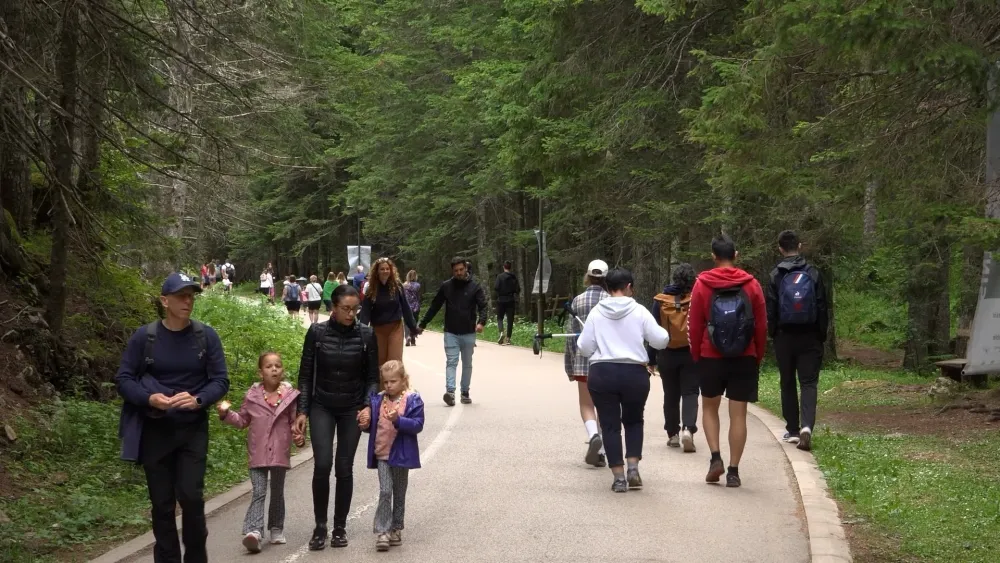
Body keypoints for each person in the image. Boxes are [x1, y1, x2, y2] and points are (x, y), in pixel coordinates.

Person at [115, 272, 230, 563]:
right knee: (162, 504)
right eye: (181, 296)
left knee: (191, 498)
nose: (188, 301)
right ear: (165, 300)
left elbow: (220, 380)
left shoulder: (206, 336)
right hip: (155, 430)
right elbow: (124, 378)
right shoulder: (145, 337)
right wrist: (149, 398)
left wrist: (198, 399)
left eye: (191, 295)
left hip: (192, 431)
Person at [295, 284, 379, 551]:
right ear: (332, 308)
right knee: (322, 464)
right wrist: (302, 410)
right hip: (322, 405)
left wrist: (367, 405)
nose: (351, 313)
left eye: (355, 309)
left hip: (351, 408)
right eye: (346, 308)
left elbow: (372, 378)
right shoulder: (316, 332)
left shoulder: (367, 335)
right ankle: (320, 526)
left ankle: (339, 527)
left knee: (344, 468)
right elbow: (305, 375)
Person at [577, 268, 669, 493]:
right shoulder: (639, 311)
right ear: (628, 286)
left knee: (609, 425)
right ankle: (633, 468)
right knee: (634, 420)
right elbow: (661, 340)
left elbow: (584, 346)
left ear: (608, 288)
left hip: (603, 373)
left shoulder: (597, 313)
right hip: (634, 374)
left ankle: (618, 477)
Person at [688, 234, 767, 488]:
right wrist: (757, 354)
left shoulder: (702, 284)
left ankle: (714, 459)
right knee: (739, 414)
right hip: (744, 356)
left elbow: (696, 324)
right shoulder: (751, 284)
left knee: (710, 408)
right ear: (736, 255)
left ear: (713, 256)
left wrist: (697, 355)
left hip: (711, 355)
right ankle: (733, 471)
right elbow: (762, 324)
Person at [217, 352, 305, 553]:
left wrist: (298, 438)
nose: (274, 369)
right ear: (260, 372)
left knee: (277, 492)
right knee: (259, 491)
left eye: (277, 365)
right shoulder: (252, 396)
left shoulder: (290, 397)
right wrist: (226, 414)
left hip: (279, 452)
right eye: (268, 366)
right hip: (257, 451)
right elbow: (242, 421)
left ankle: (276, 527)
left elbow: (294, 424)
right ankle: (254, 531)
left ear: (282, 371)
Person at [766, 230, 828, 451]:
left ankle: (792, 429)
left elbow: (771, 310)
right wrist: (821, 335)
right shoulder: (813, 273)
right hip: (810, 335)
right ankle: (807, 427)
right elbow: (822, 306)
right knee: (809, 383)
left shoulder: (775, 275)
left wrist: (773, 333)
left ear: (780, 249)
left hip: (784, 336)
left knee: (787, 381)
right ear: (800, 246)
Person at [358, 360, 424, 552]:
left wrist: (398, 420)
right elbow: (373, 426)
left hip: (402, 455)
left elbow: (417, 425)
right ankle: (383, 531)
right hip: (382, 454)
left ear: (404, 380)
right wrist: (364, 423)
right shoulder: (378, 399)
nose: (388, 386)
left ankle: (396, 527)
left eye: (393, 381)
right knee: (386, 491)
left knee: (400, 492)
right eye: (385, 382)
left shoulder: (413, 399)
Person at [418, 257, 487, 406]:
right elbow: (435, 306)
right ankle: (450, 392)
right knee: (451, 361)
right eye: (456, 270)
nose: (459, 273)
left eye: (461, 270)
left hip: (469, 332)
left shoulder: (475, 286)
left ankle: (465, 392)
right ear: (452, 271)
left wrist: (481, 322)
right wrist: (423, 324)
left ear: (466, 269)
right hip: (451, 332)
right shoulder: (446, 287)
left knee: (467, 363)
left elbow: (483, 306)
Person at [647, 263, 699, 453]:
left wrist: (651, 359)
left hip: (666, 353)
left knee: (671, 394)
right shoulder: (696, 299)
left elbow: (653, 333)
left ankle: (673, 434)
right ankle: (688, 429)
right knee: (691, 392)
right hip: (690, 352)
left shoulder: (660, 300)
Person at [564, 259, 610, 467]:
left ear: (588, 276)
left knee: (586, 403)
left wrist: (569, 365)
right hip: (607, 361)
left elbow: (571, 335)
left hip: (583, 362)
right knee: (604, 405)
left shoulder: (577, 301)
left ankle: (593, 436)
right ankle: (600, 449)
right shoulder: (611, 300)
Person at [361, 258, 421, 366]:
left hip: (395, 327)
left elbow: (405, 307)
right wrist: (362, 331)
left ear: (391, 270)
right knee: (380, 362)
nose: (385, 271)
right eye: (382, 269)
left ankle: (397, 382)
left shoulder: (397, 286)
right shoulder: (371, 289)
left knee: (394, 363)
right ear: (377, 271)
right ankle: (381, 383)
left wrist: (413, 327)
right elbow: (365, 312)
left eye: (387, 269)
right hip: (378, 329)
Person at [494, 261, 520, 345]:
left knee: (500, 317)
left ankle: (501, 332)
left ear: (503, 267)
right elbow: (518, 289)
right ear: (510, 267)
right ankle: (508, 338)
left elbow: (496, 287)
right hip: (510, 300)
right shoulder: (513, 277)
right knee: (510, 320)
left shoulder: (499, 276)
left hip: (501, 299)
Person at [402, 270, 422, 347]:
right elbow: (418, 296)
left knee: (406, 323)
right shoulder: (418, 285)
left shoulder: (404, 285)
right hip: (415, 307)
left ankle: (407, 337)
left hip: (407, 307)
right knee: (414, 322)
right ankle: (413, 338)